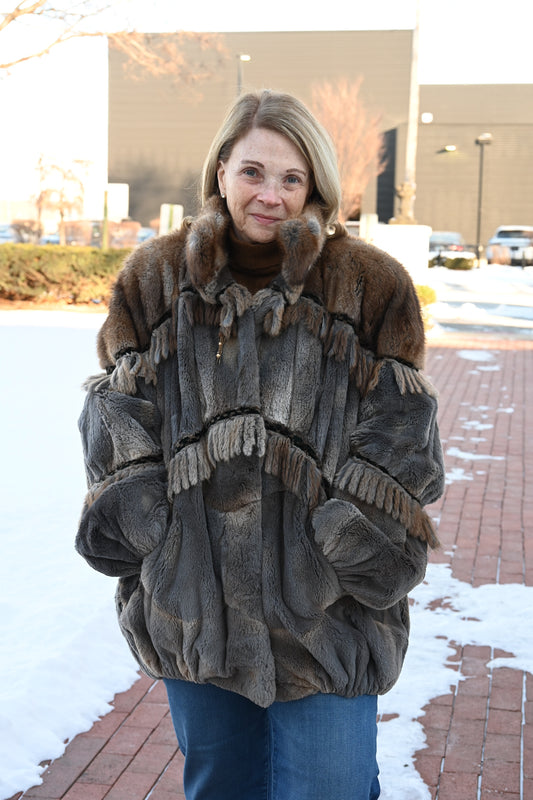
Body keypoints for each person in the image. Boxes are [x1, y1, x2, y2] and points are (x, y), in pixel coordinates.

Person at [76, 89, 445, 800]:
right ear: (219, 170)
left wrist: (348, 537)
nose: (269, 195)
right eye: (252, 172)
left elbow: (404, 434)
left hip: (326, 614)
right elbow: (116, 410)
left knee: (331, 788)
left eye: (290, 178)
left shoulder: (368, 284)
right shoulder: (154, 278)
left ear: (315, 187)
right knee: (220, 788)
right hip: (195, 605)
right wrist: (142, 515)